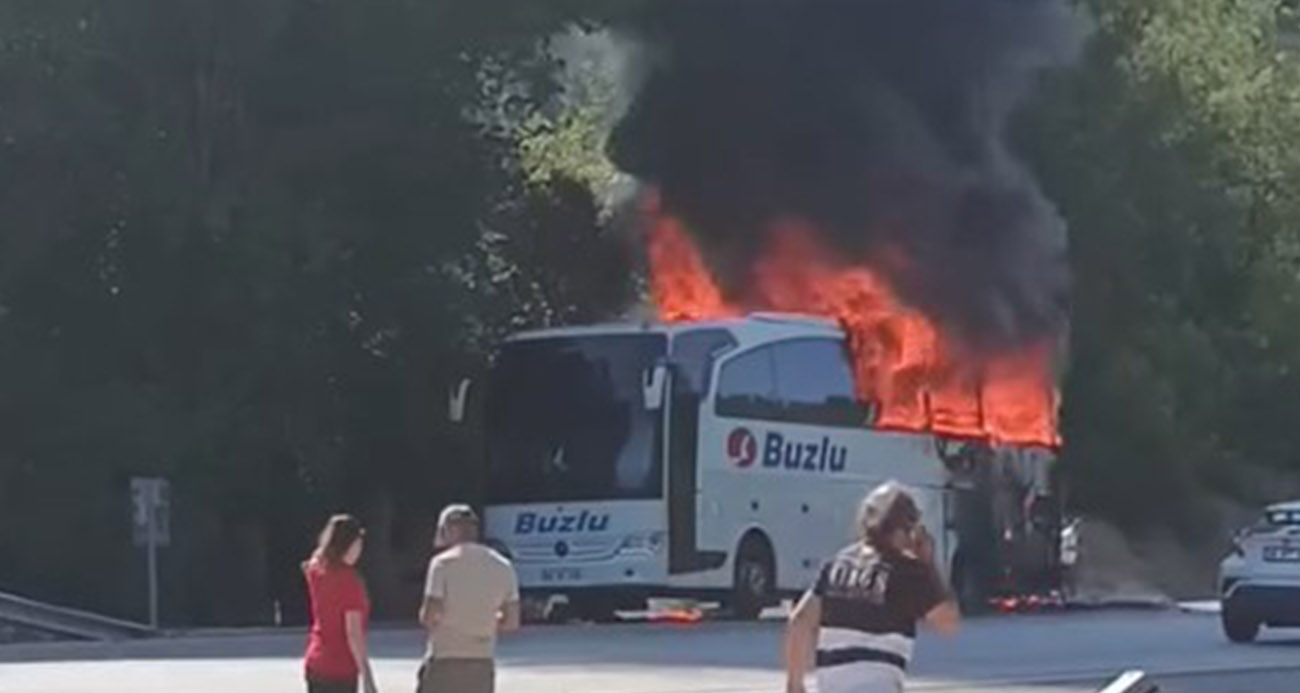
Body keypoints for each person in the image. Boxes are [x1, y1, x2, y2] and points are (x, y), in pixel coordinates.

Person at [785, 482, 960, 693]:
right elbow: (948, 623)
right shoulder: (908, 572)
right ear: (906, 529)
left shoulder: (837, 565)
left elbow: (800, 620)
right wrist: (929, 564)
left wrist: (795, 685)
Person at [417, 504, 520, 693]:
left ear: (448, 529)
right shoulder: (503, 565)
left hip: (445, 658)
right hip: (482, 660)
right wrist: (484, 621)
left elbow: (429, 616)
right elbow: (512, 622)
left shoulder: (442, 564)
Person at [303, 514, 378, 693]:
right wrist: (367, 675)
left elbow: (313, 561)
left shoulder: (316, 572)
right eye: (357, 544)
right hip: (340, 669)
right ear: (347, 545)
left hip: (316, 661)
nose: (360, 549)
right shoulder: (350, 581)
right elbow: (353, 633)